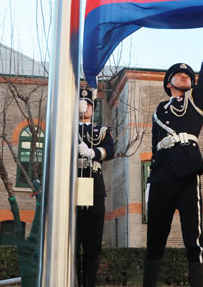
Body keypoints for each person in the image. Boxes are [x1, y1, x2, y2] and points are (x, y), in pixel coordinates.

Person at [143, 7, 203, 287]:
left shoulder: (196, 102)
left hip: (185, 174)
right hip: (160, 176)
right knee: (155, 237)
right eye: (179, 75)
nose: (185, 77)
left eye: (187, 75)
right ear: (169, 83)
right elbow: (155, 145)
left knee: (192, 237)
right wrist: (149, 180)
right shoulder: (159, 109)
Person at [75, 87, 114, 287]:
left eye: (89, 104)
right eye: (82, 103)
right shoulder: (67, 130)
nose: (85, 106)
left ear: (93, 108)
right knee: (72, 242)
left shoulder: (101, 131)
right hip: (71, 186)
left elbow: (110, 150)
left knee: (92, 243)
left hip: (93, 185)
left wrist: (92, 152)